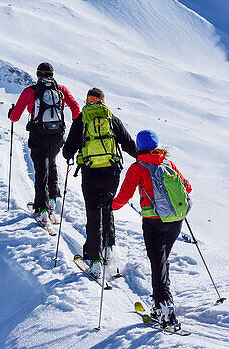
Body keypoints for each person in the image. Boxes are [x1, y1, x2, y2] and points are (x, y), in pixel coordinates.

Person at [112, 130, 192, 331]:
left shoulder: (138, 168)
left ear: (139, 147)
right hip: (175, 221)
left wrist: (110, 206)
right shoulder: (168, 164)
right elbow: (187, 187)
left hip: (154, 222)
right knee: (162, 261)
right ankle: (161, 301)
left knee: (157, 263)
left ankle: (164, 307)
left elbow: (124, 195)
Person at [61, 87, 137, 277]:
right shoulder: (111, 118)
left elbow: (68, 149)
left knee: (93, 213)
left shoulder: (81, 120)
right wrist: (143, 157)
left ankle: (94, 259)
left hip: (90, 173)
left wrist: (70, 155)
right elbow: (128, 143)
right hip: (111, 173)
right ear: (103, 100)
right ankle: (109, 250)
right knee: (108, 208)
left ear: (88, 100)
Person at [8, 62, 80, 224]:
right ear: (52, 75)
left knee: (41, 170)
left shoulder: (30, 91)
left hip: (38, 135)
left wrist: (11, 112)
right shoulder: (61, 90)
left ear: (38, 75)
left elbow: (15, 117)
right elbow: (76, 110)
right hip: (57, 135)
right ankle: (52, 199)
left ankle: (41, 209)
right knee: (52, 162)